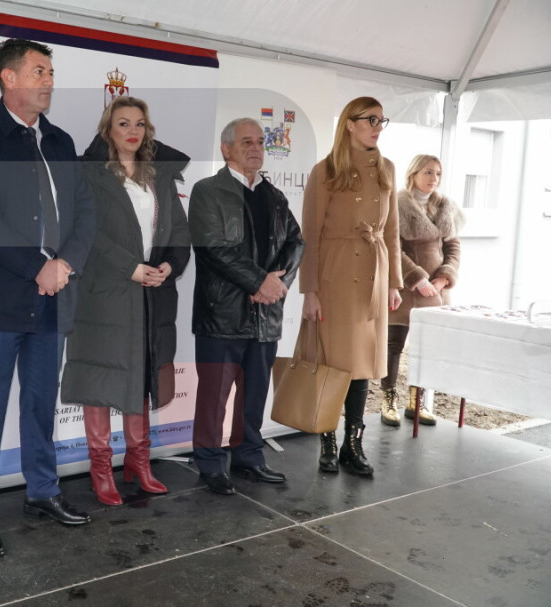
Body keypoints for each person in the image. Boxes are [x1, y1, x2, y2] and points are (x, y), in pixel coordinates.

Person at [0, 38, 96, 557]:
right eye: (39, 71)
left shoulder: (60, 140)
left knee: (39, 404)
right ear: (8, 78)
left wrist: (64, 265)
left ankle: (42, 492)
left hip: (53, 296)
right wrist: (38, 267)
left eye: (51, 72)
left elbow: (84, 211)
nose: (49, 81)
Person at [61, 96, 191, 506]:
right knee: (99, 380)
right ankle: (101, 469)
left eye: (139, 124)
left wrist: (169, 265)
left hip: (152, 294)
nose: (132, 131)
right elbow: (87, 233)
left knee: (142, 377)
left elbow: (179, 231)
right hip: (104, 294)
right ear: (108, 130)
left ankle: (139, 461)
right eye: (123, 123)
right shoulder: (90, 175)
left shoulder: (159, 175)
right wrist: (128, 268)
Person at [189, 118, 305, 495]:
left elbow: (296, 243)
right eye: (245, 142)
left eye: (259, 142)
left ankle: (249, 457)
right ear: (226, 149)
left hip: (265, 315)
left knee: (254, 394)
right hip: (222, 314)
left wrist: (277, 285)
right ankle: (209, 462)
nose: (255, 148)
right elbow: (213, 248)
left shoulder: (274, 195)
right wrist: (259, 282)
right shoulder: (207, 191)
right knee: (214, 397)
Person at [300, 96, 403, 477]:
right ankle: (327, 441)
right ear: (349, 124)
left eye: (381, 120)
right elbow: (310, 234)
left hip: (373, 277)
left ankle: (353, 444)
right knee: (334, 363)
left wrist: (394, 283)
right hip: (336, 276)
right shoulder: (326, 170)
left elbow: (391, 232)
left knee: (362, 364)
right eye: (370, 119)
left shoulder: (387, 169)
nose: (377, 127)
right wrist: (310, 290)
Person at [380, 154, 462, 427]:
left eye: (437, 173)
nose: (433, 178)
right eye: (428, 172)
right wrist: (418, 279)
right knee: (394, 345)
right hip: (405, 288)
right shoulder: (397, 203)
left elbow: (453, 247)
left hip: (437, 291)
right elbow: (392, 247)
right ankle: (388, 400)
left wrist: (443, 278)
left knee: (426, 348)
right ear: (413, 173)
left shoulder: (445, 206)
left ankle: (416, 402)